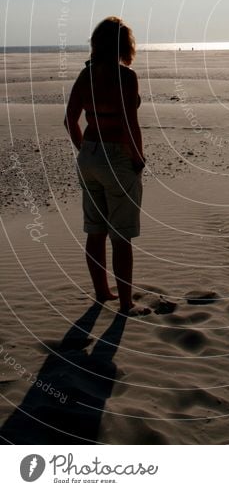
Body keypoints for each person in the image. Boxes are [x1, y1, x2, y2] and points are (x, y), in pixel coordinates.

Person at [64, 17, 148, 316]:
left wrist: (86, 151)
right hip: (117, 156)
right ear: (124, 45)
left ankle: (102, 292)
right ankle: (126, 303)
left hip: (89, 155)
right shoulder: (126, 77)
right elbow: (129, 124)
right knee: (121, 236)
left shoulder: (85, 76)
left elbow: (70, 119)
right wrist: (137, 159)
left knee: (95, 231)